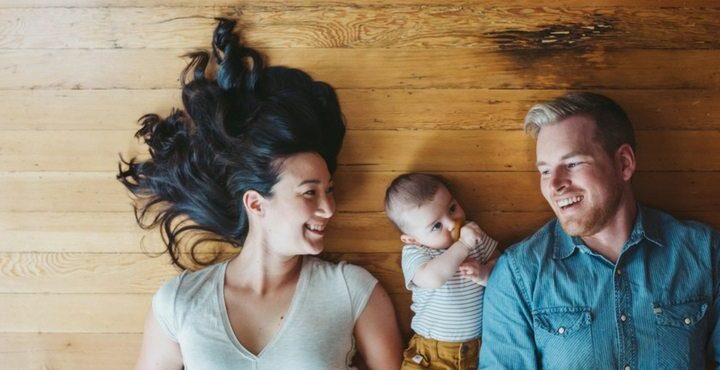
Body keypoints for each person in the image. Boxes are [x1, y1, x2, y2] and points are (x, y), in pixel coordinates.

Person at [117, 18, 402, 370]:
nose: (329, 208)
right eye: (309, 193)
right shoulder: (180, 302)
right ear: (255, 203)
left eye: (329, 191)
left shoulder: (351, 292)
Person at [479, 92, 720, 369]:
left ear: (624, 164)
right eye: (545, 171)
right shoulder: (517, 274)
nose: (554, 184)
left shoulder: (705, 252)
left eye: (572, 164)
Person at [385, 173, 500, 370]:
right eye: (436, 226)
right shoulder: (417, 252)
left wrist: (484, 273)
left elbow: (502, 269)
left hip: (477, 351)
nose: (452, 223)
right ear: (412, 239)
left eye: (452, 208)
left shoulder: (475, 237)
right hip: (431, 353)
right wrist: (463, 245)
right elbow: (433, 278)